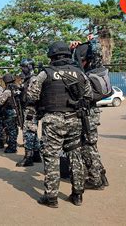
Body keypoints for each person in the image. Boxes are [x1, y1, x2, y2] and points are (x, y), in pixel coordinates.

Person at [28, 41, 91, 207]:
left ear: (51, 56)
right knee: (75, 155)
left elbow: (32, 95)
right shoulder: (79, 73)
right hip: (75, 119)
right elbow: (88, 95)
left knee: (51, 157)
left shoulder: (45, 73)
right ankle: (77, 195)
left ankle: (51, 197)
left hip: (53, 120)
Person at [72, 37, 109, 190]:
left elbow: (97, 53)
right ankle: (101, 175)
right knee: (91, 145)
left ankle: (95, 180)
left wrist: (93, 41)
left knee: (87, 146)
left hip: (87, 113)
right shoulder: (95, 68)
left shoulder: (87, 70)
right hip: (92, 112)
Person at [17, 58, 42, 167]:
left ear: (29, 67)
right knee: (33, 132)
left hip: (31, 109)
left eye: (23, 67)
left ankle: (28, 158)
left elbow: (34, 96)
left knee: (27, 133)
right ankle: (36, 155)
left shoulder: (33, 79)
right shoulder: (27, 79)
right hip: (27, 108)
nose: (22, 69)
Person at [0, 73, 21, 153]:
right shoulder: (17, 88)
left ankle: (12, 147)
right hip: (17, 111)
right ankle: (13, 144)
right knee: (14, 129)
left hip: (10, 112)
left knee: (11, 129)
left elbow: (0, 101)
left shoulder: (8, 90)